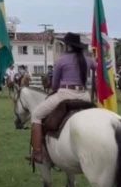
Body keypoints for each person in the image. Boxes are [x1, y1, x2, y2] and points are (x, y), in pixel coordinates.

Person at [28, 33, 95, 163]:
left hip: (65, 94)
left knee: (36, 115)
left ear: (67, 46)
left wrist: (54, 91)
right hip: (85, 96)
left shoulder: (61, 60)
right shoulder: (87, 59)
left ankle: (37, 153)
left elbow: (55, 85)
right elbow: (99, 69)